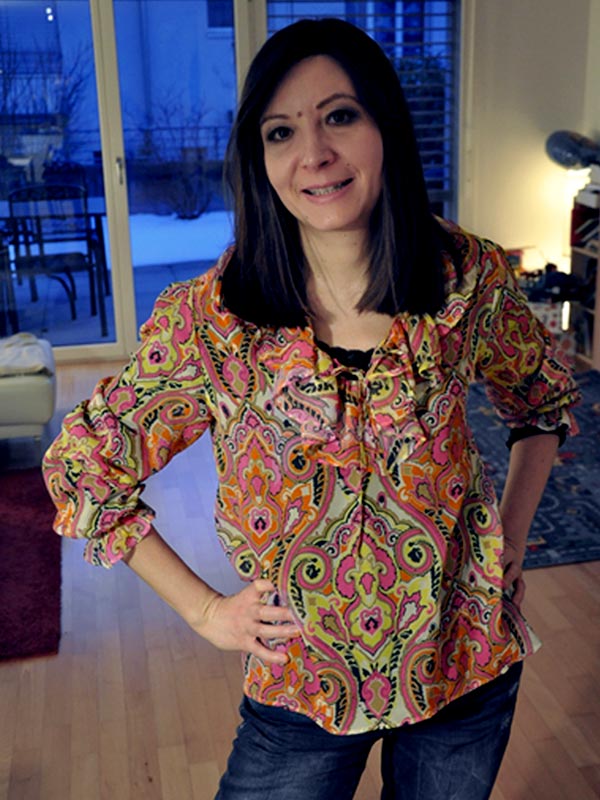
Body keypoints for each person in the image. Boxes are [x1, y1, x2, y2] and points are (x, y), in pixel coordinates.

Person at [43, 18, 580, 800]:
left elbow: (541, 401)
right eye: (281, 131)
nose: (314, 153)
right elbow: (84, 467)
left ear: (385, 127)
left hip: (463, 663)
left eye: (340, 116)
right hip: (301, 681)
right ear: (258, 159)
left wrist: (514, 536)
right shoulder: (212, 322)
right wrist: (204, 612)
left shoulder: (467, 278)